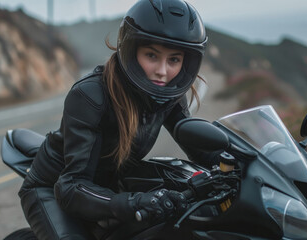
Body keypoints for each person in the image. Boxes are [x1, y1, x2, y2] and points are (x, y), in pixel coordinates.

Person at [18, 0, 219, 239]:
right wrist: (135, 202)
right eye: (152, 55)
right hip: (55, 188)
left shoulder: (169, 95)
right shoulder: (91, 95)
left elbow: (197, 143)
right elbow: (71, 186)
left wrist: (244, 164)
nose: (163, 71)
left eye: (174, 60)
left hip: (108, 185)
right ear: (131, 50)